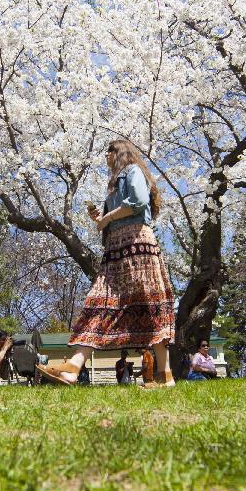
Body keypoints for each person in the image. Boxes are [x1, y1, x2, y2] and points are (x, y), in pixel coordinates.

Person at [38, 139, 176, 388]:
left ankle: (165, 376)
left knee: (149, 304)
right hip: (116, 247)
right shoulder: (113, 184)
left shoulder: (132, 171)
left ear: (120, 153)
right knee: (99, 301)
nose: (105, 155)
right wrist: (101, 219)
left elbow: (139, 201)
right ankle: (73, 367)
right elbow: (119, 214)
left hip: (137, 243)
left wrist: (108, 217)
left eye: (109, 151)